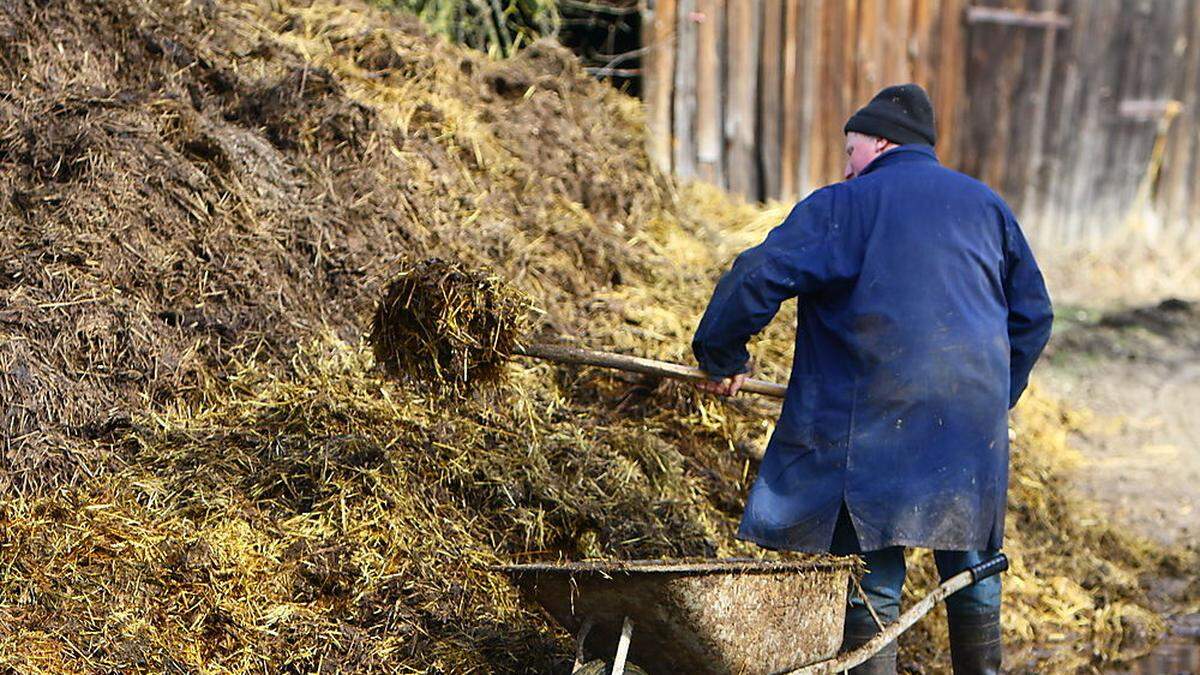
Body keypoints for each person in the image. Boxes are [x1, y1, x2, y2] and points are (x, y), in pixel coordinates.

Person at [691, 83, 1054, 674]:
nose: (846, 164)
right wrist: (995, 397)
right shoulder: (986, 206)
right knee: (975, 577)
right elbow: (1034, 315)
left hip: (874, 432)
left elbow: (757, 275)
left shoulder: (845, 205)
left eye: (850, 149)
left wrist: (722, 356)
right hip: (969, 433)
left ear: (881, 142)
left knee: (873, 581)